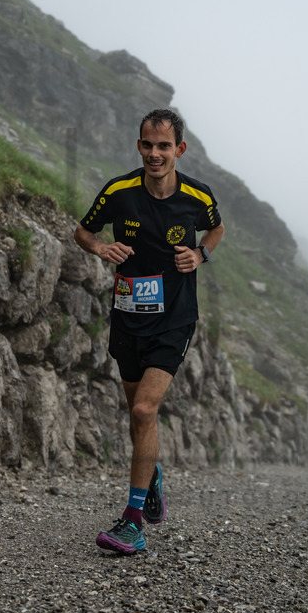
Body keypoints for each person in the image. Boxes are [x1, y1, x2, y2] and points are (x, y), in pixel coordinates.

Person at [74, 108, 225, 554]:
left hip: (175, 317)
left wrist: (200, 255)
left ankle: (132, 523)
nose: (155, 154)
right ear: (138, 146)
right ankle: (152, 473)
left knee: (144, 412)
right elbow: (82, 232)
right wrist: (101, 247)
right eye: (147, 144)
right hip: (127, 315)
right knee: (137, 419)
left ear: (179, 149)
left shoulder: (198, 196)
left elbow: (216, 229)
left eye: (164, 146)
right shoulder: (119, 191)